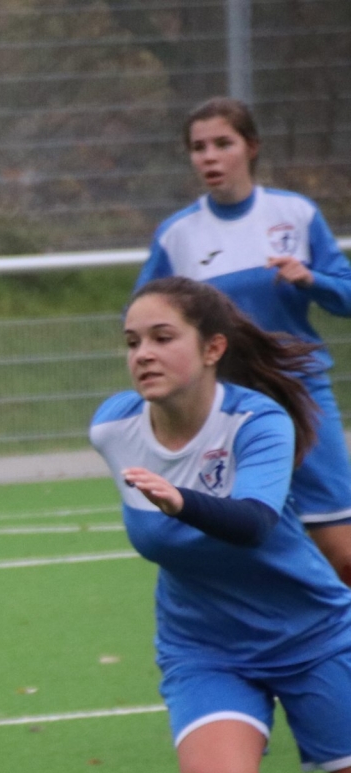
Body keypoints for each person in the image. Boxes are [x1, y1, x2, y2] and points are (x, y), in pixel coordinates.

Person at [91, 276, 351, 773]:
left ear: (212, 349)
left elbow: (253, 523)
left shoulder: (256, 421)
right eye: (132, 342)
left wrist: (183, 502)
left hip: (313, 635)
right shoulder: (114, 428)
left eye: (161, 337)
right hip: (206, 645)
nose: (142, 353)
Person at [137, 97, 351, 584]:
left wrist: (311, 279)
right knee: (237, 547)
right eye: (198, 147)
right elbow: (143, 316)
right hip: (223, 411)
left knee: (342, 551)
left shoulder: (294, 213)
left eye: (222, 144)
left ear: (250, 148)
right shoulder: (178, 236)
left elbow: (346, 294)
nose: (209, 157)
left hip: (300, 397)